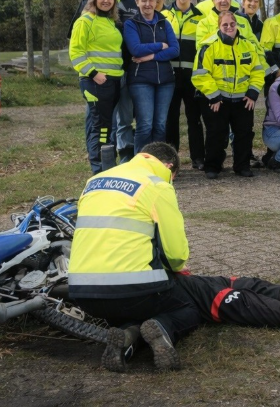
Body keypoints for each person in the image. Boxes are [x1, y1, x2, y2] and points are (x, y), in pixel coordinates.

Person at [69, 142, 199, 372]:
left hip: (84, 294)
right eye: (174, 178)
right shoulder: (157, 185)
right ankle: (163, 328)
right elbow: (176, 254)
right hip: (133, 290)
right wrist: (177, 268)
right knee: (187, 307)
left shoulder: (94, 181)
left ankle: (127, 335)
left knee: (130, 313)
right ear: (169, 167)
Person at [72, 0, 139, 165]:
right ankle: (97, 162)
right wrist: (92, 73)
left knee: (120, 121)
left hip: (123, 72)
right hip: (98, 78)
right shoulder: (88, 10)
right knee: (99, 123)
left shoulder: (132, 4)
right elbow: (76, 46)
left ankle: (117, 160)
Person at [192, 11, 267, 179]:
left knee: (244, 133)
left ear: (237, 25)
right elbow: (200, 75)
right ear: (219, 26)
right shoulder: (208, 46)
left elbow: (257, 71)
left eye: (232, 24)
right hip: (216, 99)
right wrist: (214, 96)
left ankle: (242, 166)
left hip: (243, 98)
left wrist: (253, 93)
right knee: (216, 133)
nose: (229, 27)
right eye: (224, 24)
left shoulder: (248, 46)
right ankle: (213, 166)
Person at [70, 0, 124, 174]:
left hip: (113, 81)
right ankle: (98, 169)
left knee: (107, 127)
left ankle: (106, 167)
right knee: (100, 128)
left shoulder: (110, 21)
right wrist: (94, 74)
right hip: (95, 82)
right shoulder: (85, 21)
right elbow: (76, 52)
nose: (107, 0)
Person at [123, 0, 179, 154]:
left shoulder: (164, 23)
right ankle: (141, 162)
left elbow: (175, 50)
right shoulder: (131, 24)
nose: (147, 4)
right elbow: (136, 49)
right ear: (137, 2)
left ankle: (157, 160)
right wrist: (160, 45)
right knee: (145, 124)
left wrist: (151, 56)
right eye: (143, 1)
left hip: (166, 81)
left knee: (160, 125)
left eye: (151, 0)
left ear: (156, 2)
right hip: (141, 80)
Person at [162, 0, 207, 171]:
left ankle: (198, 158)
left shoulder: (201, 17)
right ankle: (171, 160)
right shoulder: (163, 15)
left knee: (194, 119)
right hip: (169, 76)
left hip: (192, 77)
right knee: (171, 119)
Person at [195, 0, 260, 50]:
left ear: (230, 0)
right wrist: (220, 34)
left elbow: (256, 46)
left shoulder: (243, 21)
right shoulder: (204, 24)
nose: (224, 0)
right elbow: (201, 47)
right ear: (213, 1)